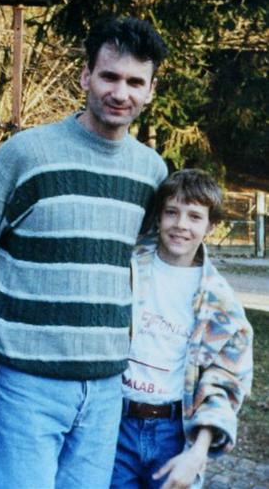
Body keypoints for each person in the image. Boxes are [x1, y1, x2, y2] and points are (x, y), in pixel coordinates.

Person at [0, 16, 168, 489]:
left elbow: (143, 263)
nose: (121, 92)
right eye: (109, 76)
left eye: (136, 82)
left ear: (151, 91)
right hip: (23, 382)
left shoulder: (151, 172)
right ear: (86, 76)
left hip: (105, 388)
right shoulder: (27, 154)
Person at [110, 169, 253, 489]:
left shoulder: (220, 304)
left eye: (195, 216)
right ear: (159, 216)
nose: (181, 225)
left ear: (211, 226)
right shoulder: (127, 269)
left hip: (173, 433)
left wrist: (197, 453)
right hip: (115, 424)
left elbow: (225, 382)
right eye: (172, 212)